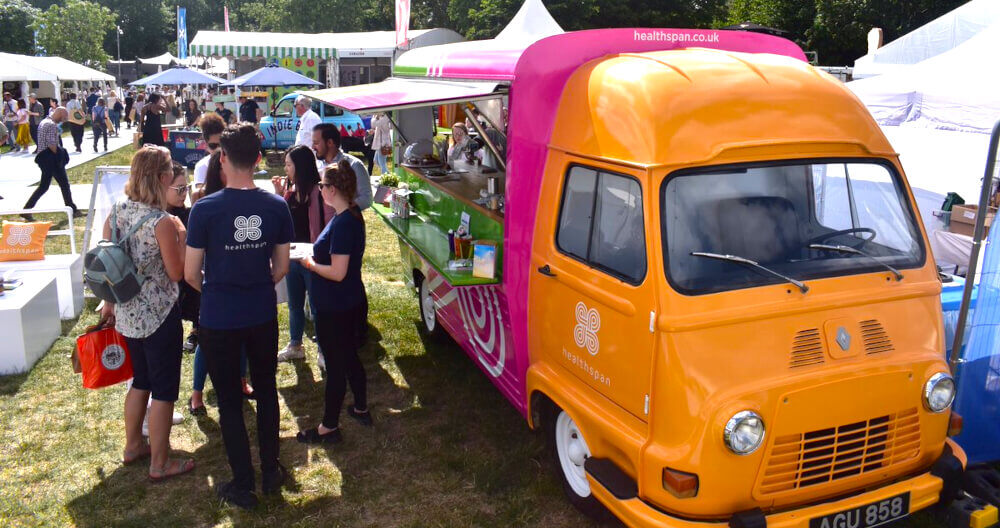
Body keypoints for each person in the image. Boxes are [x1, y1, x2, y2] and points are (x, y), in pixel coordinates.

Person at [184, 124, 292, 509]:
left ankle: (243, 484)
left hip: (219, 317)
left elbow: (190, 273)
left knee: (229, 400)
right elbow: (281, 267)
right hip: (261, 312)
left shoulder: (205, 209)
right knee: (266, 390)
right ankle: (271, 471)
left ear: (222, 158)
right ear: (260, 160)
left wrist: (219, 288)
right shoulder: (275, 205)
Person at [98, 145, 194, 483]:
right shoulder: (162, 222)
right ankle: (160, 462)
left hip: (127, 314)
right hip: (159, 315)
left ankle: (132, 446)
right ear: (162, 176)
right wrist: (181, 238)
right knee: (164, 390)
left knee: (140, 382)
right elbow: (176, 273)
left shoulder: (116, 211)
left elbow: (108, 262)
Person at [295, 160, 371, 445]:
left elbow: (337, 272)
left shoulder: (342, 223)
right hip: (348, 300)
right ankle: (361, 407)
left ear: (334, 189)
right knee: (350, 356)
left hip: (335, 305)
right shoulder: (351, 215)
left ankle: (328, 427)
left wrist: (310, 264)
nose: (320, 190)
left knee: (337, 365)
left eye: (323, 185)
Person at [272, 145, 334, 364]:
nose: (286, 168)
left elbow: (328, 225)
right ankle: (296, 345)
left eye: (289, 164)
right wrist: (279, 196)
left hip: (313, 258)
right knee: (295, 305)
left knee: (318, 306)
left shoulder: (318, 192)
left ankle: (323, 349)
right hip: (293, 257)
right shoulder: (291, 193)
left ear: (300, 166)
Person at [312, 124, 372, 211]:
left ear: (330, 143)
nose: (313, 147)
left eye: (316, 143)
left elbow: (367, 198)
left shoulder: (354, 165)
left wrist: (343, 209)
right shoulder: (316, 165)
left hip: (344, 222)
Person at [191, 113, 226, 203]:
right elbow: (201, 197)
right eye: (213, 145)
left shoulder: (234, 162)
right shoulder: (202, 166)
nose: (219, 149)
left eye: (221, 144)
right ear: (206, 144)